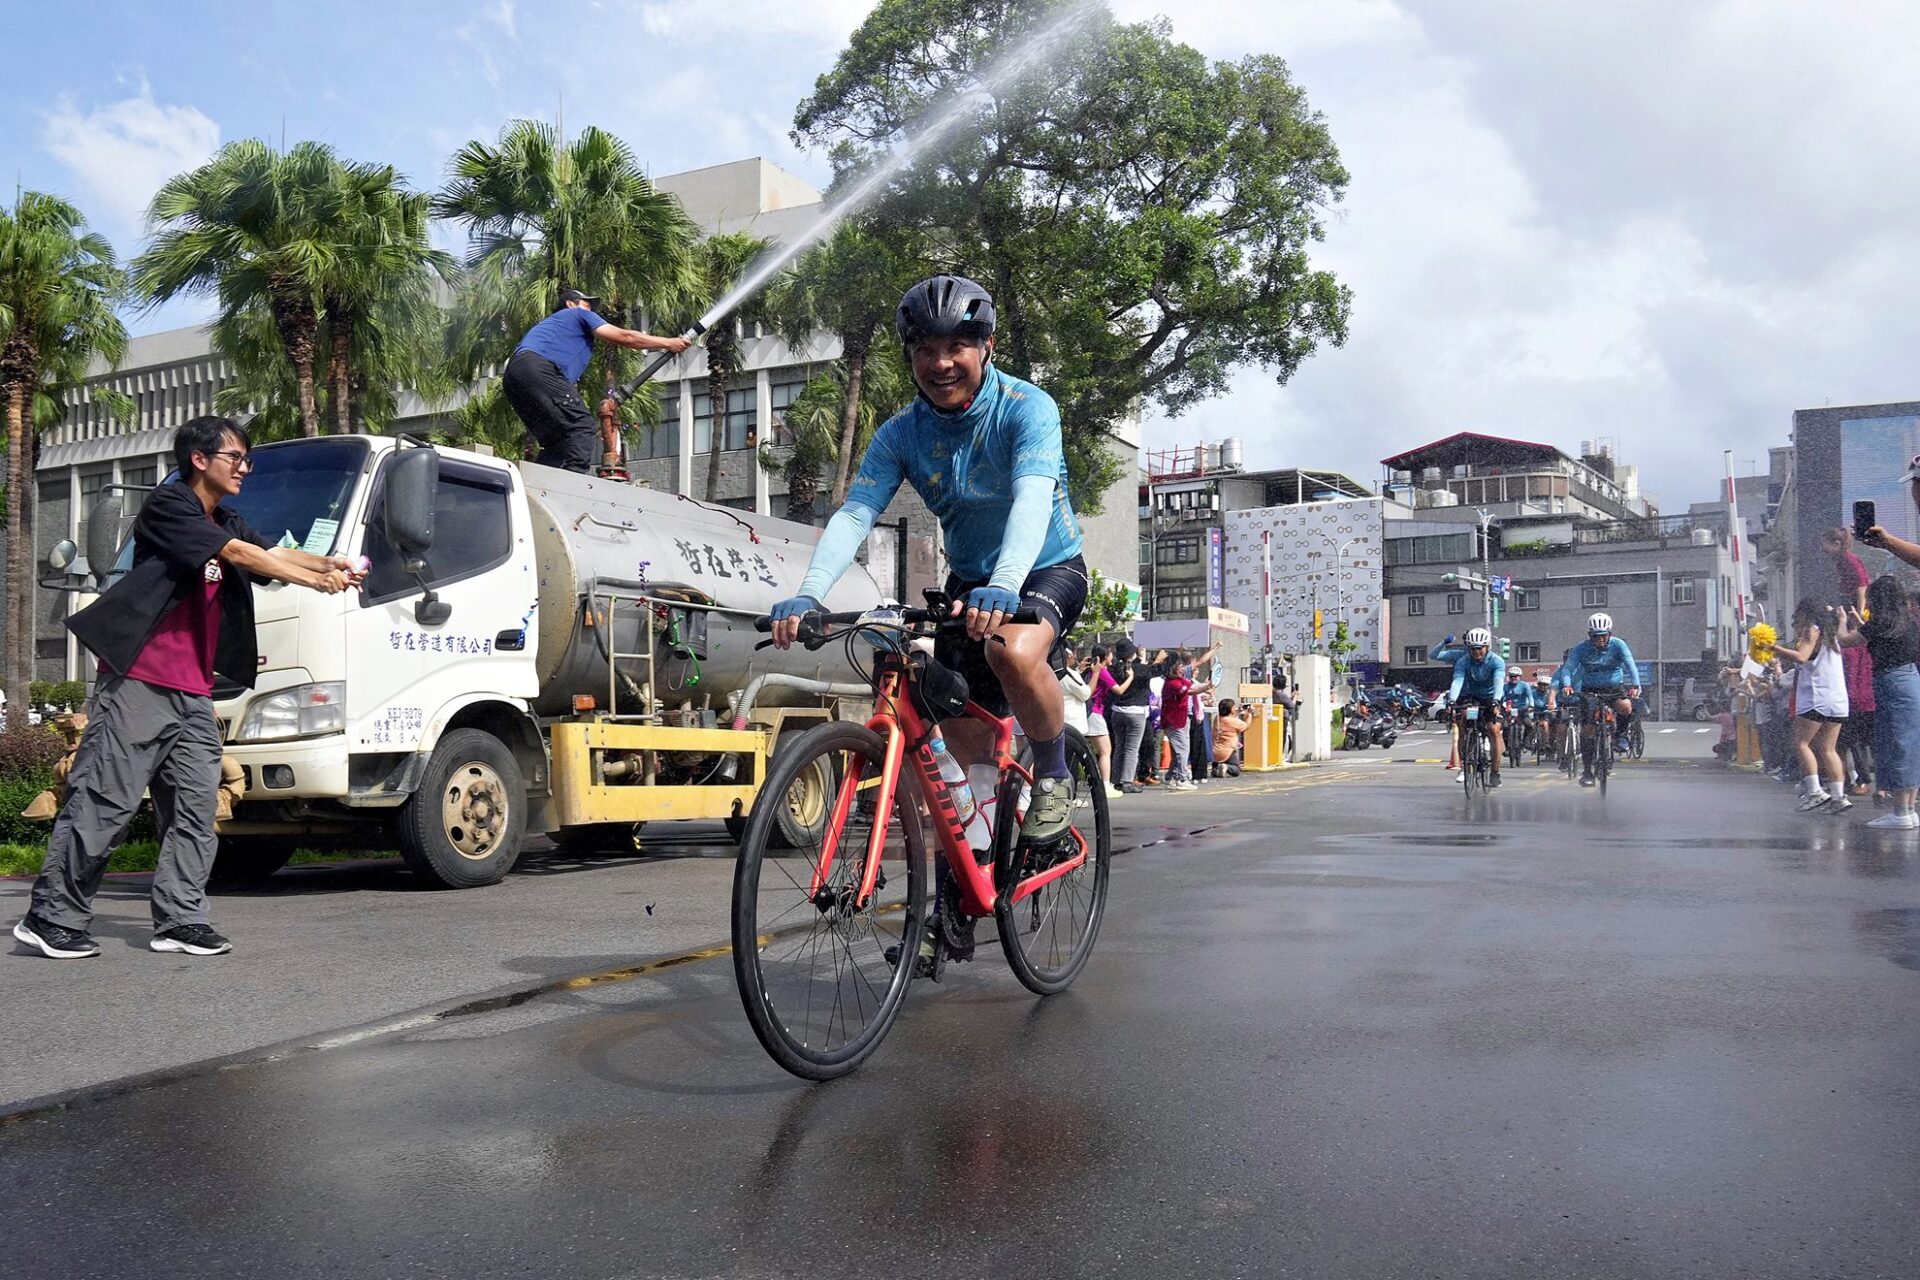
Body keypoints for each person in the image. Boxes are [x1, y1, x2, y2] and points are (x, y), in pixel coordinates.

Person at [12, 417, 363, 961]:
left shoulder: (225, 518)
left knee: (197, 810)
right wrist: (316, 581)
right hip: (139, 680)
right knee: (106, 801)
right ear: (199, 459)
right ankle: (51, 916)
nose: (244, 468)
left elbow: (272, 555)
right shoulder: (169, 507)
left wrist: (329, 563)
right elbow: (240, 555)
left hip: (195, 691)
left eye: (247, 459)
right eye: (235, 457)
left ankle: (181, 920)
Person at [767, 274, 1087, 844]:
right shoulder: (900, 434)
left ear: (986, 347)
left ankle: (1054, 773)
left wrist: (1007, 582)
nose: (941, 363)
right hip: (969, 581)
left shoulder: (1027, 408)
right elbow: (855, 514)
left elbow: (1032, 497)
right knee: (961, 746)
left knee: (1010, 651)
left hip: (1046, 568)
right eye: (925, 349)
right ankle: (968, 882)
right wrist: (810, 591)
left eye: (956, 346)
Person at [502, 288, 691, 473]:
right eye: (587, 304)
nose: (591, 310)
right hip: (537, 368)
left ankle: (538, 485)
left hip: (513, 379)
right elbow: (626, 337)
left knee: (557, 442)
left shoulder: (554, 327)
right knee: (581, 424)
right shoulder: (577, 314)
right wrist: (670, 343)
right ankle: (572, 483)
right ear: (570, 304)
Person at [1837, 578, 1920, 828]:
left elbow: (1844, 640)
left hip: (1890, 682)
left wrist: (1842, 620)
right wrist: (1862, 624)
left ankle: (1900, 814)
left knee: (1894, 744)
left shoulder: (1881, 622)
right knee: (1909, 745)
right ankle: (1908, 809)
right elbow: (1880, 638)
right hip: (1910, 679)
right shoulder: (1907, 622)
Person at [1774, 599, 1851, 813]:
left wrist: (1773, 648)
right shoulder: (1832, 635)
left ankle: (1815, 791)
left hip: (1816, 696)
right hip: (1837, 698)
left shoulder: (1812, 629)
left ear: (1805, 613)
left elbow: (1801, 657)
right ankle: (1838, 796)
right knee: (1828, 748)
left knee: (1800, 743)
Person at [1559, 612, 1641, 787]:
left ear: (1609, 633)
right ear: (1590, 635)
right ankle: (1587, 772)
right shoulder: (1581, 648)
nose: (1600, 639)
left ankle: (1620, 735)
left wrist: (1636, 685)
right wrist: (1567, 685)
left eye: (1603, 635)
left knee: (1626, 707)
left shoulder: (1618, 645)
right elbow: (1568, 668)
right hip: (1591, 690)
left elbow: (1630, 665)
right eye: (1595, 636)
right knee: (1588, 729)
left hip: (1614, 687)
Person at [1446, 627, 1507, 787]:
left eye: (1479, 648)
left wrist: (1496, 701)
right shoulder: (1463, 661)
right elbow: (1458, 680)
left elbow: (1498, 681)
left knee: (1493, 730)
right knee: (1463, 722)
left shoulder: (1496, 661)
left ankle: (1495, 772)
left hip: (1491, 698)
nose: (1476, 652)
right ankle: (1466, 763)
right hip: (1473, 698)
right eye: (1472, 648)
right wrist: (1452, 700)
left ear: (1487, 647)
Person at [1160, 651, 1213, 792]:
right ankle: (1182, 779)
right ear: (1172, 669)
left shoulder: (1180, 680)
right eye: (1179, 667)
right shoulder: (1172, 684)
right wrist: (1207, 686)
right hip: (1173, 721)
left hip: (1180, 720)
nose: (1183, 669)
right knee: (1182, 750)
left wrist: (1207, 685)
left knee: (1179, 750)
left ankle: (1172, 776)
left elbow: (1193, 688)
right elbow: (1190, 691)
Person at [1107, 640, 1150, 793]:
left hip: (1117, 711)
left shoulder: (1113, 669)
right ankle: (1127, 781)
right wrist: (1143, 658)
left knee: (1119, 746)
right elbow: (1148, 671)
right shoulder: (1137, 670)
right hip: (1136, 712)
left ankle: (1116, 779)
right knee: (1132, 748)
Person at [1085, 645, 1120, 798]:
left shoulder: (1090, 669)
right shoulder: (1102, 671)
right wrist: (1131, 677)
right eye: (1110, 654)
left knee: (1099, 750)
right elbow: (1118, 690)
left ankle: (1102, 783)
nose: (1112, 657)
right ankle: (1105, 785)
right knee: (1105, 751)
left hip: (1089, 711)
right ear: (1105, 656)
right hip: (1095, 712)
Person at [1212, 698, 1253, 776]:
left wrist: (1238, 711)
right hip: (1228, 751)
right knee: (1236, 770)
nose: (1236, 708)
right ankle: (1226, 767)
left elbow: (1229, 717)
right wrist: (1250, 714)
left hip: (1215, 751)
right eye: (1234, 707)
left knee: (1217, 766)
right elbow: (1246, 725)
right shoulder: (1233, 722)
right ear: (1230, 709)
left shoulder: (1217, 718)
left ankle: (1216, 769)